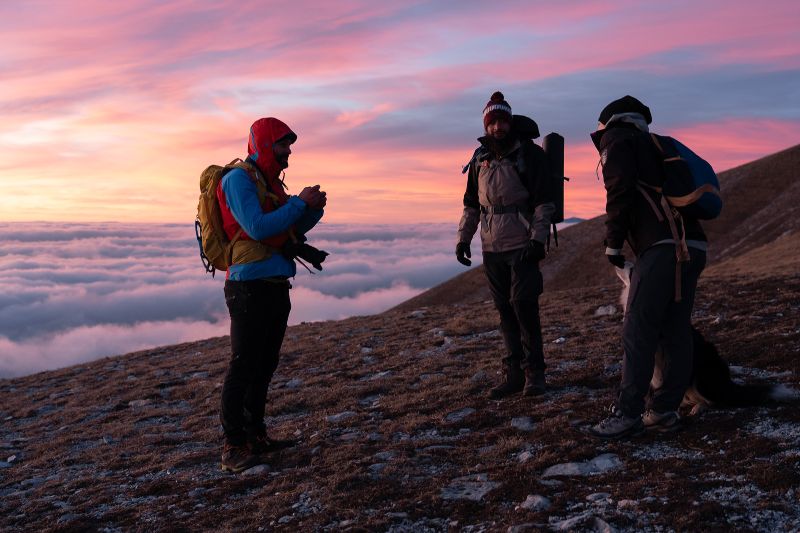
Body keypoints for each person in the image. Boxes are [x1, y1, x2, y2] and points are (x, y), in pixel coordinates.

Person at [588, 96, 707, 439]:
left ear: (608, 122)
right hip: (693, 246)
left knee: (638, 330)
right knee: (675, 329)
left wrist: (613, 243)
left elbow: (619, 191)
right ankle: (665, 409)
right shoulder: (658, 146)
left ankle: (627, 414)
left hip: (662, 247)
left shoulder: (618, 140)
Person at [217, 117, 327, 472]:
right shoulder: (238, 180)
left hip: (276, 282)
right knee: (243, 365)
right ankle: (233, 446)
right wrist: (298, 205)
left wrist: (312, 209)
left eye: (289, 145)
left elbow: (288, 228)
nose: (288, 152)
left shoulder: (270, 184)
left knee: (264, 365)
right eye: (283, 145)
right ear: (265, 144)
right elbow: (257, 227)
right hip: (247, 286)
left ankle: (256, 436)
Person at [456, 91, 555, 399]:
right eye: (492, 122)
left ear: (510, 123)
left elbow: (543, 202)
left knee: (524, 307)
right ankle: (513, 374)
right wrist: (463, 238)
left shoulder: (529, 155)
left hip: (523, 243)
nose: (498, 127)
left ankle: (534, 375)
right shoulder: (479, 159)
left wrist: (538, 239)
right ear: (486, 125)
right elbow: (472, 205)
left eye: (502, 121)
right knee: (505, 312)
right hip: (492, 247)